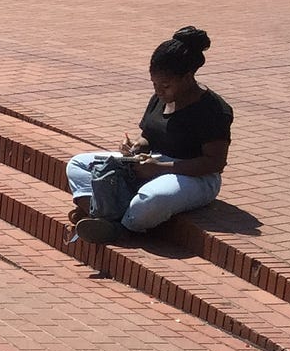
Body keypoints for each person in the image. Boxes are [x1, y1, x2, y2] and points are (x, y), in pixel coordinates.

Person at [64, 27, 229, 244]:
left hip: (195, 176)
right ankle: (101, 216)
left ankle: (117, 226)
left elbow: (215, 163)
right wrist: (135, 146)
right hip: (152, 164)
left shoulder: (212, 109)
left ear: (188, 77)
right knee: (77, 164)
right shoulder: (160, 98)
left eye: (165, 85)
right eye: (154, 84)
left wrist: (160, 168)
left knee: (151, 200)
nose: (158, 91)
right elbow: (148, 137)